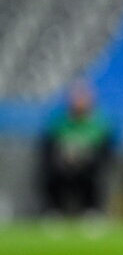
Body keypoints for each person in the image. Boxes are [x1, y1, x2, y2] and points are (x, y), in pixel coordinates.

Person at [39, 81, 115, 215]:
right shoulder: (59, 122)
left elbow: (107, 151)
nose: (79, 102)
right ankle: (54, 210)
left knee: (95, 175)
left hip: (89, 167)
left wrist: (86, 157)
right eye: (76, 98)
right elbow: (48, 147)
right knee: (51, 173)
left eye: (83, 98)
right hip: (63, 166)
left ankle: (92, 210)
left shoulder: (100, 124)